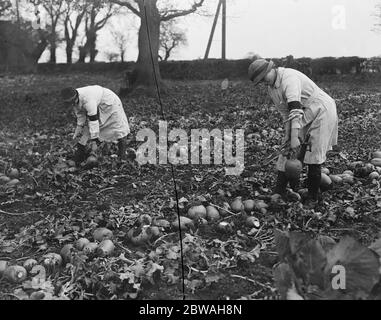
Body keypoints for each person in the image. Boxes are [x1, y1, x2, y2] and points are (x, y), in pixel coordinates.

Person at [248, 58, 338, 207]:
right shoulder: (272, 89)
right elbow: (286, 114)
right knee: (287, 151)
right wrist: (288, 136)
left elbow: (295, 109)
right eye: (260, 80)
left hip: (322, 110)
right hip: (303, 113)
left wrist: (295, 136)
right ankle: (279, 191)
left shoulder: (289, 78)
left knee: (313, 154)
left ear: (271, 69)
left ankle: (313, 197)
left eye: (264, 77)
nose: (264, 81)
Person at [61, 85, 131, 166]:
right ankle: (80, 156)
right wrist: (78, 128)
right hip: (98, 105)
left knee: (119, 128)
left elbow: (93, 121)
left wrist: (94, 140)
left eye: (70, 102)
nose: (70, 104)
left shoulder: (88, 100)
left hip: (110, 102)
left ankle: (122, 157)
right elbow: (80, 115)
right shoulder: (74, 100)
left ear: (74, 97)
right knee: (87, 131)